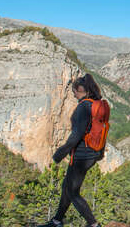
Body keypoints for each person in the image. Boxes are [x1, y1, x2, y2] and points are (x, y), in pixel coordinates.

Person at [38, 74, 104, 227]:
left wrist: (59, 154)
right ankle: (57, 220)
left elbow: (77, 135)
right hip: (92, 154)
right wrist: (100, 153)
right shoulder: (96, 104)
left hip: (81, 156)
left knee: (73, 191)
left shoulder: (83, 107)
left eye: (75, 91)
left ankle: (94, 224)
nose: (73, 94)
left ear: (83, 90)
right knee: (67, 186)